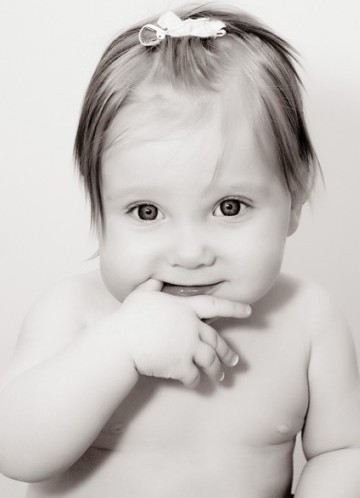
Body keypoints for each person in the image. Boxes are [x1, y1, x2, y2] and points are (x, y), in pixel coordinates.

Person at [0, 4, 359, 498]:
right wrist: (119, 346)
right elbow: (15, 450)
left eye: (229, 206)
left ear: (293, 200)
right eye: (147, 212)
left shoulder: (308, 320)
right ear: (100, 212)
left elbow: (343, 451)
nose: (190, 253)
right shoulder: (77, 313)